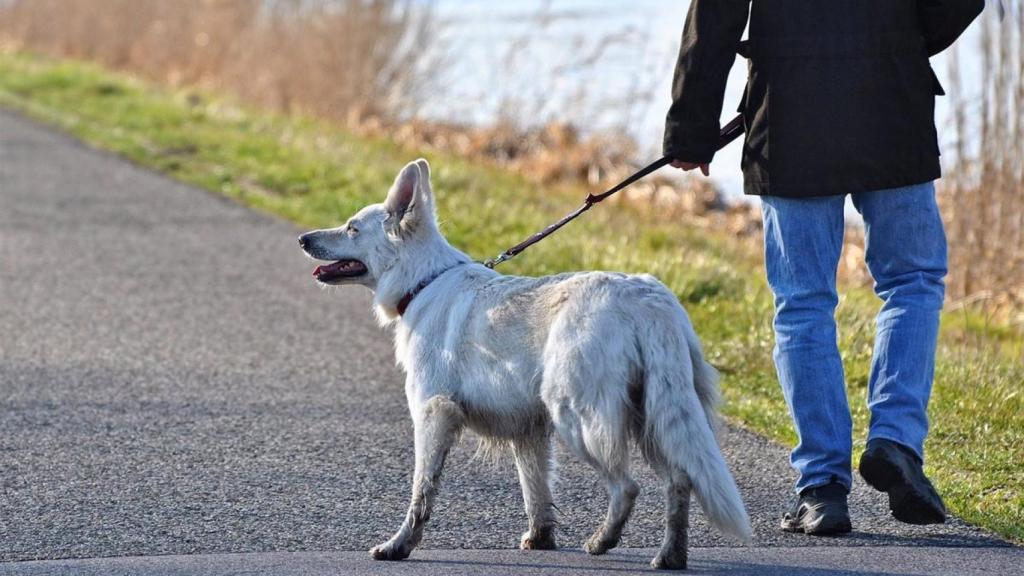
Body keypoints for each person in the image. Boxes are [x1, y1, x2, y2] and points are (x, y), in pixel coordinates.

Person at [664, 0, 985, 535]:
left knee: (803, 302)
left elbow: (713, 17)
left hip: (790, 114)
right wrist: (899, 40)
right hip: (891, 101)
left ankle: (822, 489)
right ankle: (895, 440)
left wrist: (690, 127)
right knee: (912, 282)